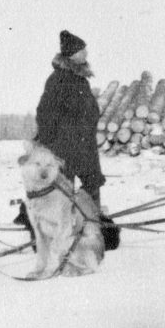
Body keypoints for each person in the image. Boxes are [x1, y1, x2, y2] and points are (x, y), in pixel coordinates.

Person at [35, 30, 105, 207]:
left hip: (85, 146)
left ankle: (92, 224)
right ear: (72, 54)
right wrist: (50, 143)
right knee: (64, 190)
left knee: (92, 184)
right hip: (65, 147)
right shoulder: (58, 80)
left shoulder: (80, 79)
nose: (86, 53)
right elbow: (44, 113)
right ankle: (66, 227)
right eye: (82, 50)